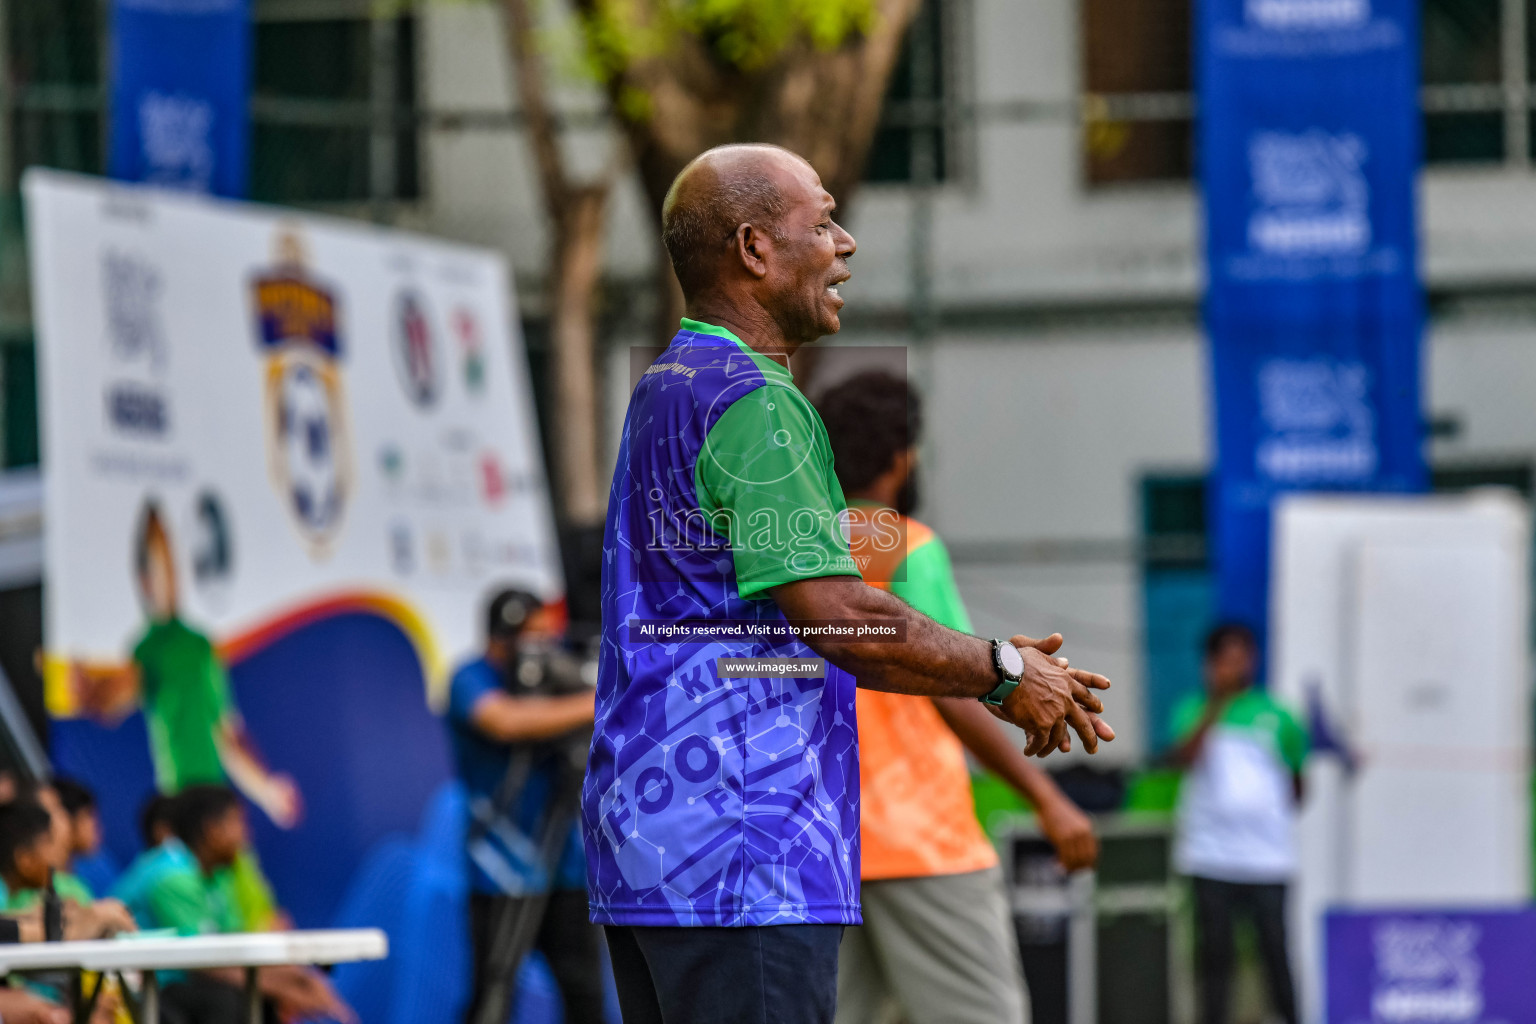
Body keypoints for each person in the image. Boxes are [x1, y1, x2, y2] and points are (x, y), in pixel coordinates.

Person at [584, 143, 1115, 1024]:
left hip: (649, 840)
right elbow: (839, 614)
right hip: (745, 851)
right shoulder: (756, 403)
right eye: (821, 221)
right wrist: (1004, 671)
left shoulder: (667, 384)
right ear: (754, 250)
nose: (846, 242)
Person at [818, 371, 1099, 1024]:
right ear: (900, 459)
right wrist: (1047, 798)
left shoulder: (799, 554)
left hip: (822, 843)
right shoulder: (907, 546)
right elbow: (951, 691)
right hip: (918, 837)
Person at [70, 500, 301, 829]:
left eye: (170, 561)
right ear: (144, 579)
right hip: (181, 806)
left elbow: (227, 734)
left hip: (217, 806)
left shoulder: (200, 645)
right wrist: (91, 695)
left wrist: (267, 792)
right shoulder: (146, 650)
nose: (167, 574)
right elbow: (113, 700)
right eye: (157, 563)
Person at [448, 589, 602, 1024]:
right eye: (530, 640)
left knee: (585, 994)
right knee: (492, 996)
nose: (542, 650)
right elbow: (504, 721)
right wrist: (597, 700)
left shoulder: (564, 675)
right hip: (500, 868)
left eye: (546, 637)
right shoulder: (471, 676)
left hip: (565, 865)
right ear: (501, 638)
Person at [119, 785, 355, 1024]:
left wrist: (299, 979)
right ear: (213, 830)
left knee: (258, 996)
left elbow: (234, 946)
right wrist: (285, 988)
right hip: (138, 990)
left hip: (181, 984)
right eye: (238, 823)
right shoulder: (171, 877)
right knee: (229, 999)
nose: (246, 835)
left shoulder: (217, 876)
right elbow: (202, 963)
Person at [1169, 623, 1307, 1024]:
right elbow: (1185, 758)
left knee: (1275, 953)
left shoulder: (1281, 716)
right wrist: (1216, 704)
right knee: (1215, 958)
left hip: (1268, 859)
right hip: (1210, 856)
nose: (1235, 667)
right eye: (1225, 660)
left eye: (1241, 657)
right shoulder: (1193, 710)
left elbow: (1298, 782)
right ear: (1210, 665)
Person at [51, 778, 116, 897]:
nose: (96, 826)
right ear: (65, 821)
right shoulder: (51, 890)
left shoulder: (75, 883)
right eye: (88, 816)